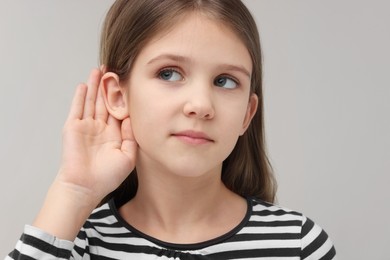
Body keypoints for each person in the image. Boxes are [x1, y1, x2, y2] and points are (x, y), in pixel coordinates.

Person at [6, 0, 336, 259]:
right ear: (118, 96)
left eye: (225, 81)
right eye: (169, 73)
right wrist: (74, 191)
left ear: (247, 114)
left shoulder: (298, 244)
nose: (201, 104)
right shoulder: (79, 245)